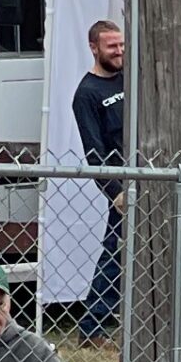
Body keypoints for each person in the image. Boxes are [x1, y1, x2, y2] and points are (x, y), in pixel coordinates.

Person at [72, 19, 127, 343]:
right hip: (122, 184)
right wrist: (115, 192)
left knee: (123, 253)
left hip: (151, 175)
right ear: (94, 48)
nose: (119, 52)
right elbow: (95, 152)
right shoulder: (87, 93)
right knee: (116, 254)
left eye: (121, 45)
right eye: (112, 46)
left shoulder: (129, 80)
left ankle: (99, 323)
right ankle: (93, 326)